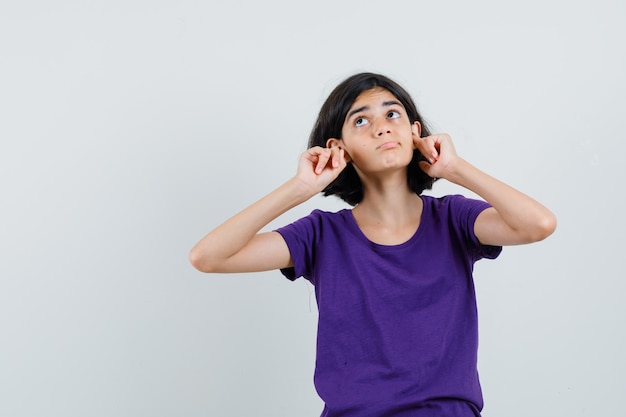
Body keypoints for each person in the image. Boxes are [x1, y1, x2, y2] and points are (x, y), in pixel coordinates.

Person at [189, 72, 557, 416]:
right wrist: (300, 188)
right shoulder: (321, 235)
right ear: (339, 147)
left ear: (415, 132)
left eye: (392, 114)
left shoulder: (454, 220)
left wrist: (455, 169)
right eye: (361, 121)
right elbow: (208, 256)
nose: (381, 128)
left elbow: (539, 224)